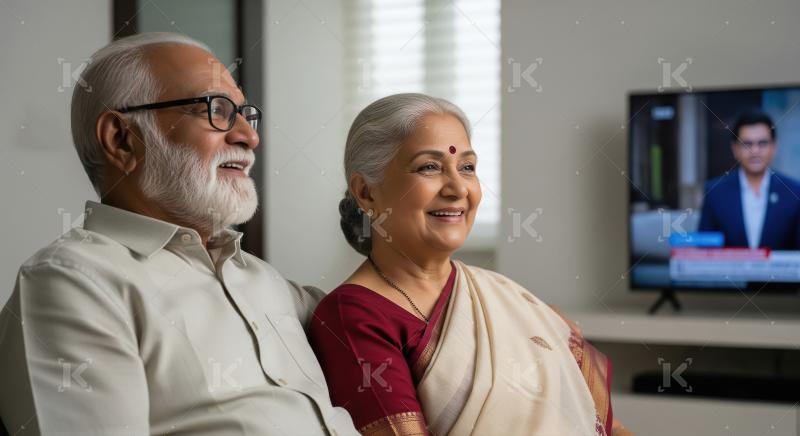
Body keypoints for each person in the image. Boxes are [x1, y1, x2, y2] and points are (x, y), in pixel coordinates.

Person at [0, 33, 358, 435]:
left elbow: (381, 315)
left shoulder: (265, 279)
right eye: (216, 110)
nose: (249, 136)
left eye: (244, 114)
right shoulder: (71, 283)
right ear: (121, 139)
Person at [309, 93, 631, 435]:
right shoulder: (353, 317)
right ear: (366, 192)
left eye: (467, 167)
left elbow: (613, 429)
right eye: (429, 167)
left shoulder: (509, 301)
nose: (458, 188)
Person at [699, 110, 800, 249]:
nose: (755, 150)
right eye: (747, 144)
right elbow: (704, 251)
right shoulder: (715, 192)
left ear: (774, 147)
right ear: (735, 149)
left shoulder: (794, 192)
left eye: (762, 143)